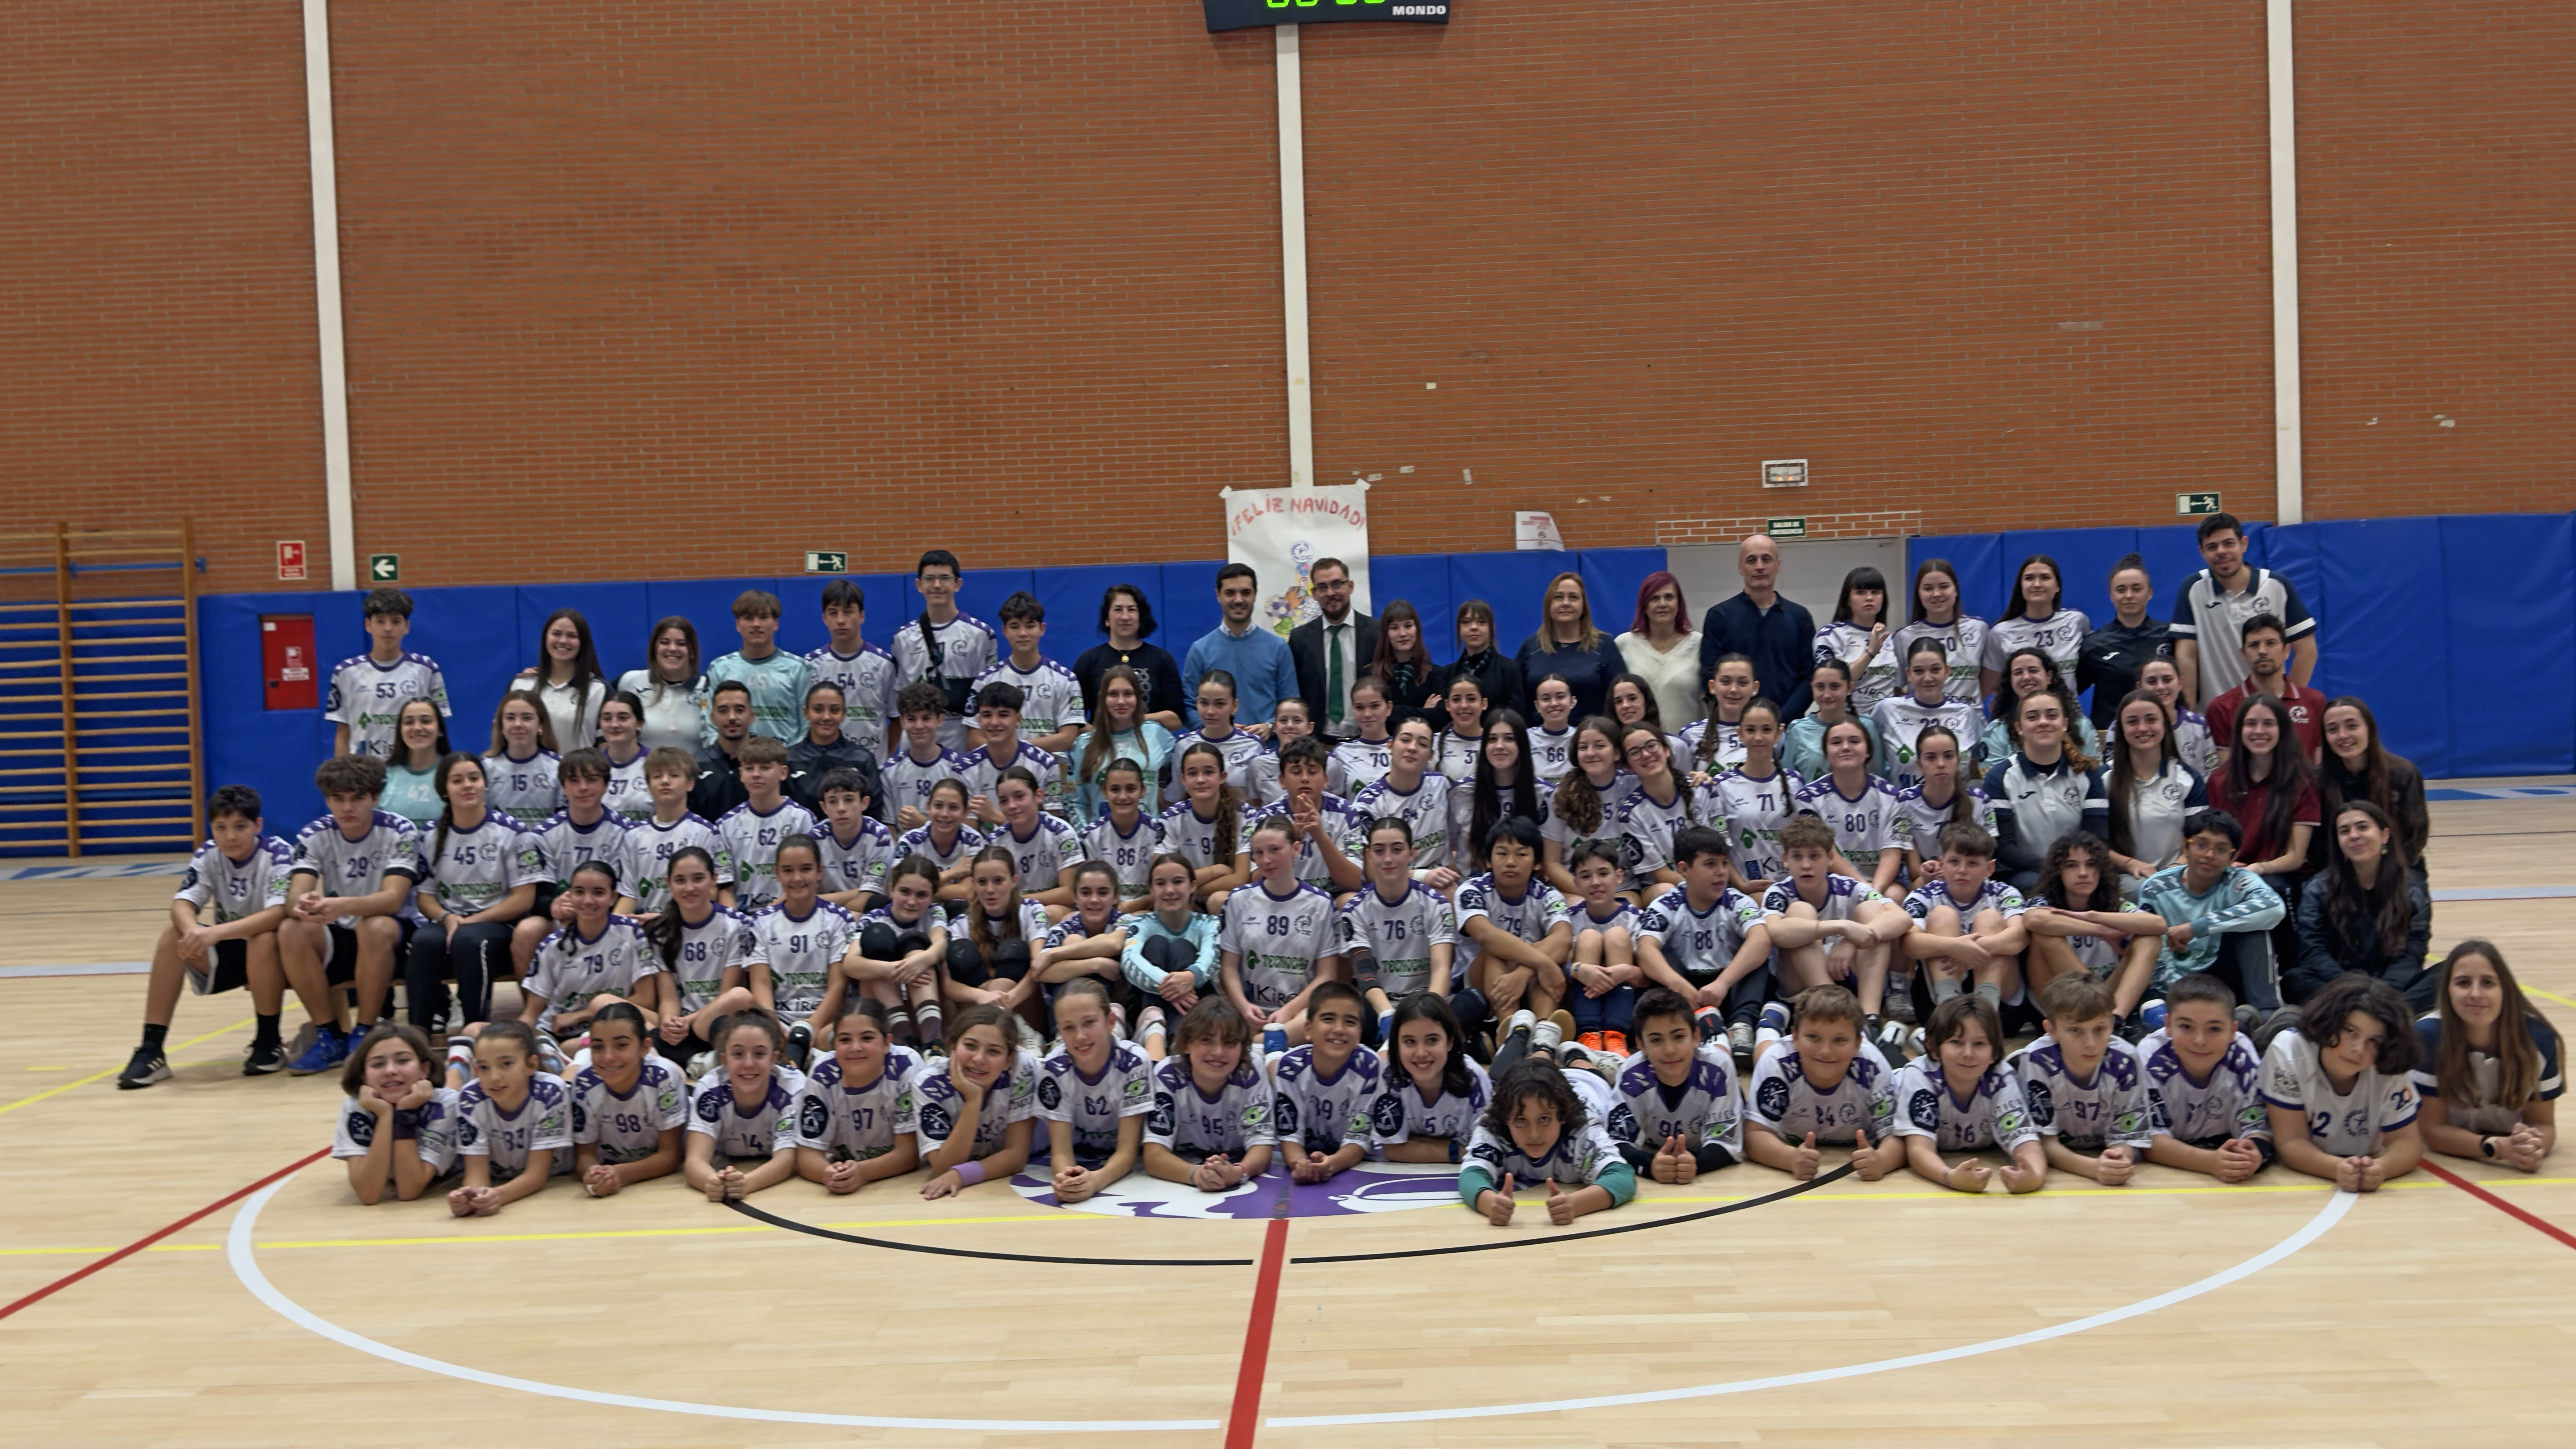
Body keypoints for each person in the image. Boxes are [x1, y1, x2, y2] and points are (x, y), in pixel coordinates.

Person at [120, 784, 296, 1088]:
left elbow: (276, 914)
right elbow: (182, 903)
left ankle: (269, 1042)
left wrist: (214, 933)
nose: (230, 836)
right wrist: (192, 931)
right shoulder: (209, 853)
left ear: (258, 825)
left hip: (281, 958)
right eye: (221, 827)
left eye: (240, 827)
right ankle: (151, 1048)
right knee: (172, 936)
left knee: (264, 937)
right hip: (232, 951)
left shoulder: (278, 853)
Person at [277, 755, 421, 1076]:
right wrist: (302, 904)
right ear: (327, 800)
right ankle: (329, 1035)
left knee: (374, 926)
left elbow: (392, 900)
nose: (347, 807)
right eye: (338, 798)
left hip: (396, 934)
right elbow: (295, 895)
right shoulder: (315, 833)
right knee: (290, 929)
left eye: (357, 798)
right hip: (343, 929)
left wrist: (340, 905)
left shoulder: (400, 830)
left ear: (375, 797)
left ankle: (364, 1032)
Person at [406, 753, 540, 1040]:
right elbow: (425, 898)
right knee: (423, 941)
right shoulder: (429, 835)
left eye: (474, 778)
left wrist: (473, 920)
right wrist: (447, 917)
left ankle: (475, 1031)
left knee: (470, 941)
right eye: (457, 781)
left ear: (485, 785)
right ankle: (418, 1036)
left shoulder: (513, 832)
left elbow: (523, 899)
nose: (467, 785)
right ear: (444, 790)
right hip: (451, 921)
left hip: (499, 923)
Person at [2261, 973, 2422, 1192]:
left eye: (2374, 1041)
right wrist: (2338, 1169)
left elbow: (2407, 1143)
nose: (2359, 1049)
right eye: (2350, 1031)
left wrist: (2381, 1169)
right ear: (2329, 1022)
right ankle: (2263, 1031)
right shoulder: (2289, 1051)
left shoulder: (2387, 1062)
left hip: (2359, 1158)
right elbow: (2291, 1143)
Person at [1760, 815, 1909, 1049]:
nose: (1806, 865)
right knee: (1800, 912)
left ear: (1830, 857)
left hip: (1848, 977)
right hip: (1803, 990)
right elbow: (1775, 931)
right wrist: (1842, 927)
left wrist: (1851, 942)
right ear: (1785, 860)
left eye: (1814, 856)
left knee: (1872, 910)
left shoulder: (1848, 886)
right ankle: (1836, 1011)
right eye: (1797, 857)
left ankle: (1869, 1019)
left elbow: (1902, 918)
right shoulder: (1778, 892)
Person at [2412, 941, 2561, 1170]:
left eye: (2488, 983)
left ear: (2505, 990)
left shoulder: (2538, 1038)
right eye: (2463, 983)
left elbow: (2543, 1124)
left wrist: (2533, 1147)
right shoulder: (2428, 1036)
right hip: (2452, 1159)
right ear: (2447, 990)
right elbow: (2433, 1130)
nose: (2476, 994)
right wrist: (2496, 1147)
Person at [1634, 824, 1771, 1062]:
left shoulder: (1737, 901)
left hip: (1727, 988)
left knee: (1757, 954)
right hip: (1686, 992)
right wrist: (1678, 984)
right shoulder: (1667, 904)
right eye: (1710, 864)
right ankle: (1697, 1023)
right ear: (1684, 869)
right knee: (1660, 957)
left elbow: (1761, 939)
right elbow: (1645, 949)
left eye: (1724, 863)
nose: (1721, 872)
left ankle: (1742, 1026)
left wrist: (1723, 983)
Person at [1890, 994, 2046, 1194]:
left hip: (1945, 1059)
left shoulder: (2001, 1079)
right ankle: (1890, 1041)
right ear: (1935, 1050)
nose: (1968, 1054)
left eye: (1979, 1044)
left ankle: (1927, 1039)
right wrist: (1949, 1177)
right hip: (1897, 1081)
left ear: (1995, 1052)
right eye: (1956, 1042)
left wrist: (2034, 1176)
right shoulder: (1920, 1077)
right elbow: (1918, 1150)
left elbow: (2027, 1143)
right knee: (1893, 1060)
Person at [1742, 985, 1903, 1179]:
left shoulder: (1874, 1067)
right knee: (1765, 1057)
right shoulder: (1777, 1064)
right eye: (1813, 1037)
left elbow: (1899, 1137)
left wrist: (1883, 1161)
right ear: (1795, 1037)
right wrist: (1789, 1158)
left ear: (1858, 1044)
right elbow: (1754, 1135)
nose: (1826, 1051)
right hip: (1781, 1057)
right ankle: (1768, 1028)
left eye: (1840, 1040)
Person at [2137, 810, 2286, 1015]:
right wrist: (2188, 998)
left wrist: (2196, 928)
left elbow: (2274, 907)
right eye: (2201, 845)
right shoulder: (2156, 888)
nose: (2209, 855)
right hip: (2172, 985)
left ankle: (2266, 1013)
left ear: (2234, 856)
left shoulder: (2238, 880)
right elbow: (2154, 956)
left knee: (2257, 926)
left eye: (2221, 849)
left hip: (2222, 974)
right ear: (2185, 846)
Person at [2010, 975, 2152, 1186]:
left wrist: (2118, 1160)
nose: (2090, 1043)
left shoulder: (2126, 1060)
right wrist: (2093, 1169)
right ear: (2051, 1030)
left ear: (2111, 1024)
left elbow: (2128, 1137)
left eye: (2100, 1029)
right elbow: (2044, 1143)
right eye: (2076, 1030)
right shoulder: (2037, 1060)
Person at [2291, 802, 2433, 1009]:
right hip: (2340, 983)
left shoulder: (2412, 888)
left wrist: (2382, 991)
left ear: (2385, 835)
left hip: (2392, 986)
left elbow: (2413, 951)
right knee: (2295, 979)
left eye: (2363, 827)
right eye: (2344, 831)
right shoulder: (2318, 888)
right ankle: (2388, 1014)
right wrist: (2351, 987)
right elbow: (2313, 951)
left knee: (2443, 975)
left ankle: (2359, 1012)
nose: (2354, 836)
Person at [2019, 832, 2167, 1026]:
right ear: (2058, 872)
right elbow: (2035, 920)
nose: (2083, 873)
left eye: (2091, 865)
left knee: (2150, 938)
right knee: (2044, 934)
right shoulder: (2045, 902)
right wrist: (2102, 931)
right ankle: (2099, 1011)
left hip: (2108, 997)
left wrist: (2093, 916)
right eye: (2072, 865)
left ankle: (2116, 1019)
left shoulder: (2114, 904)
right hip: (2060, 1000)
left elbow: (2158, 925)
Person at [1463, 1058, 1634, 1226]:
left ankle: (1575, 1053)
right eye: (1521, 1120)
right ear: (1505, 1118)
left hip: (1589, 1081)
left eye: (1544, 1119)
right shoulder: (1493, 1130)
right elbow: (1471, 1174)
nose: (1534, 1134)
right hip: (1551, 1086)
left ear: (1563, 1115)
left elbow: (1622, 1177)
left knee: (1583, 1064)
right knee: (1532, 1065)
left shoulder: (1583, 1132)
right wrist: (1489, 1202)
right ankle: (1545, 1049)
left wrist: (1575, 1204)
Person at [2170, 512, 2316, 707]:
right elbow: (2186, 655)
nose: (2221, 552)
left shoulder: (2276, 585)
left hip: (2269, 715)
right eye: (2212, 547)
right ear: (2202, 552)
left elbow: (2307, 650)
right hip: (2215, 713)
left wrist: (2288, 705)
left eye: (2229, 544)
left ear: (2244, 544)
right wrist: (2190, 713)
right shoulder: (2193, 588)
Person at [1218, 815, 1340, 1046]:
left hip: (1298, 1015)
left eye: (1275, 850)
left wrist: (1288, 1011)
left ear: (1296, 849)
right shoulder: (1238, 900)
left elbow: (1327, 975)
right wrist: (1244, 1007)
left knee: (1325, 1016)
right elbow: (1229, 968)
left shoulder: (1322, 904)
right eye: (1259, 853)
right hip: (1249, 1011)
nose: (1266, 860)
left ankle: (1257, 1046)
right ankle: (1266, 1043)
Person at [510, 749, 633, 977]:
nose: (583, 788)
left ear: (606, 785)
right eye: (574, 781)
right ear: (564, 787)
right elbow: (537, 897)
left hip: (610, 915)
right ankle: (534, 1001)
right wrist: (552, 906)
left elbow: (629, 892)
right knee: (527, 930)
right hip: (564, 917)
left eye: (592, 780)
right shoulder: (542, 835)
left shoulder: (628, 833)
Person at [2138, 972, 2271, 1182]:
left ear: (2233, 1031)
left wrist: (2254, 1154)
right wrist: (2209, 1162)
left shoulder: (2241, 1053)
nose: (2200, 1040)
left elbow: (2258, 1129)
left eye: (2214, 1029)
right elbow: (2147, 1141)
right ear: (2169, 1025)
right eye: (2186, 1027)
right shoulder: (2150, 1055)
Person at [1454, 817, 1574, 1049]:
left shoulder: (1549, 895)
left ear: (1537, 863)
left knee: (1547, 957)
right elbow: (1486, 935)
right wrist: (1542, 963)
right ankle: (1508, 1032)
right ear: (1488, 860)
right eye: (1502, 854)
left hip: (1530, 983)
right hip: (1479, 986)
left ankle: (1543, 1035)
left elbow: (1564, 938)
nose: (1511, 862)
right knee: (1498, 952)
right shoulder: (1471, 890)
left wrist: (1525, 972)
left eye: (1521, 854)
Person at [1336, 818, 1460, 1041]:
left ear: (1412, 853)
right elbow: (1365, 974)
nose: (1388, 859)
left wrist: (1425, 1012)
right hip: (1379, 1006)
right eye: (1379, 850)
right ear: (1369, 855)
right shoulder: (1354, 909)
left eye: (1397, 849)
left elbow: (1442, 968)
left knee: (1474, 1000)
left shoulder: (1436, 903)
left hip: (1426, 1002)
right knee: (1343, 1011)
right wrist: (1387, 1015)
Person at [1037, 977, 1156, 1203]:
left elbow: (1127, 1152)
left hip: (1118, 1155)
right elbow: (1061, 1152)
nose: (1080, 1036)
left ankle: (1150, 1027)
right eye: (1068, 1028)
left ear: (1109, 1021)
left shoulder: (1135, 1063)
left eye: (1089, 1023)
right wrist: (1068, 1179)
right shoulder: (1053, 1067)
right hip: (1083, 1151)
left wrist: (1096, 1181)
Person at [791, 998, 926, 1195]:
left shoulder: (906, 1065)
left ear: (887, 1042)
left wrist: (863, 1172)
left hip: (898, 1185)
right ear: (834, 1045)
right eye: (845, 1040)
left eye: (867, 1038)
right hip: (845, 1172)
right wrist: (828, 1174)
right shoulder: (822, 1073)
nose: (855, 1047)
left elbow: (909, 1154)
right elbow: (807, 1155)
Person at [1139, 997, 1274, 1192]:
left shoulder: (1251, 1071)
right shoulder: (1168, 1075)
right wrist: (1197, 1174)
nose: (1218, 1052)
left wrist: (1240, 1172)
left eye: (1230, 1043)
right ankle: (1153, 1028)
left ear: (1242, 1049)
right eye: (1207, 1040)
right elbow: (1153, 1156)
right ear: (1187, 1044)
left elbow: (1262, 1146)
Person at [741, 834, 857, 1060]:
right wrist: (774, 1026)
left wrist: (811, 1027)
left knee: (839, 1037)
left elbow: (838, 985)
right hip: (776, 1019)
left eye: (806, 869)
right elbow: (761, 983)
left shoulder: (839, 919)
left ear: (819, 872)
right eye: (788, 870)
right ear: (777, 873)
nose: (797, 878)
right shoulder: (761, 922)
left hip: (825, 1021)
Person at [1984, 686, 2109, 894]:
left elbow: (2095, 839)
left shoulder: (2087, 774)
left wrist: (2070, 869)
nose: (2043, 722)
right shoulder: (2000, 777)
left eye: (2052, 716)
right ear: (2019, 727)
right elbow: (2003, 846)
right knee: (2038, 886)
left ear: (2065, 724)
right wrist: (2052, 869)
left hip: (2080, 870)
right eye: (2033, 717)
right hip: (2024, 872)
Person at [642, 847, 759, 1068]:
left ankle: (669, 1055)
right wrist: (669, 1021)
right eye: (680, 881)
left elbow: (727, 995)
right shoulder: (661, 932)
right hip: (679, 1024)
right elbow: (669, 999)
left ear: (713, 879)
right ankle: (692, 1059)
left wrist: (688, 1022)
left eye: (698, 879)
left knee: (740, 997)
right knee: (604, 1003)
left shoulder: (735, 926)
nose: (689, 888)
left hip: (714, 1022)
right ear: (668, 883)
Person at [915, 1004, 1041, 1199]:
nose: (979, 1059)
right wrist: (973, 1101)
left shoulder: (1022, 1068)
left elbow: (1016, 1157)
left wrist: (961, 1175)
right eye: (970, 1046)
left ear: (1009, 1060)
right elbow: (944, 1166)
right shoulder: (928, 1084)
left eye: (994, 1052)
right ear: (953, 1047)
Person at [447, 1021, 572, 1216]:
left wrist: (498, 1196)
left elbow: (537, 1175)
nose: (494, 1077)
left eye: (506, 1064)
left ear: (531, 1065)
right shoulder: (470, 1098)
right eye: (484, 1067)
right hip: (503, 1177)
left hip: (553, 1175)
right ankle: (461, 1060)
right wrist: (470, 1197)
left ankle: (550, 1051)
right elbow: (476, 1174)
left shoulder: (551, 1092)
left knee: (567, 1078)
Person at [1900, 823, 2028, 1014]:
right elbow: (1909, 943)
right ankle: (1949, 1009)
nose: (1962, 870)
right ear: (1942, 864)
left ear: (1990, 868)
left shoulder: (2004, 893)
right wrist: (1954, 947)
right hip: (1938, 997)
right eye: (1954, 862)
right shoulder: (1924, 895)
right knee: (1942, 915)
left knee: (1990, 918)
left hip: (2002, 1002)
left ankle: (1986, 1013)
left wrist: (1976, 949)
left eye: (1972, 863)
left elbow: (2020, 936)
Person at [2206, 694, 2318, 911]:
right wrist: (2226, 866)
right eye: (2251, 724)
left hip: (2278, 876)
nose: (2259, 731)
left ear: (2282, 729)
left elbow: (2296, 857)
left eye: (2268, 724)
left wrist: (2259, 868)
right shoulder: (2220, 780)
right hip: (2230, 871)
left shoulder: (2302, 782)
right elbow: (2215, 840)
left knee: (2271, 887)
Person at [567, 1002, 687, 1197]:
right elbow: (585, 1155)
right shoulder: (584, 1082)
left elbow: (671, 1156)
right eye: (598, 1047)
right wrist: (594, 1175)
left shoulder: (662, 1078)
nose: (608, 1057)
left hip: (652, 1180)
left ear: (644, 1047)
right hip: (612, 1168)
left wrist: (620, 1174)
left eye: (621, 1045)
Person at [682, 1011, 804, 1202]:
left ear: (774, 1059)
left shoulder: (793, 1089)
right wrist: (711, 1182)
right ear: (724, 1060)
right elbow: (694, 1161)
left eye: (759, 1054)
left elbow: (787, 1160)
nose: (748, 1064)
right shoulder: (709, 1089)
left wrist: (747, 1183)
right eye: (738, 1054)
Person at [1271, 980, 1384, 1186]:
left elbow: (1358, 1139)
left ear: (1360, 1034)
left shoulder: (1370, 1067)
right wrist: (1300, 1165)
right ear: (1308, 1029)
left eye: (1350, 1022)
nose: (1339, 1029)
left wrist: (1332, 1164)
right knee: (1273, 1067)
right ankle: (1273, 1050)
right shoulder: (1290, 1068)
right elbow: (1289, 1136)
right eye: (1328, 1019)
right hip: (1305, 1144)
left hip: (1342, 1151)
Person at [332, 1024, 460, 1204]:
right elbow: (368, 1194)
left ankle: (460, 1061)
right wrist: (385, 1116)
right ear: (363, 1076)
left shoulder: (445, 1104)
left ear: (424, 1070)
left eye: (403, 1061)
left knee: (456, 1087)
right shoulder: (357, 1105)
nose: (390, 1071)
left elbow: (408, 1190)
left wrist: (404, 1114)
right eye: (378, 1064)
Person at [836, 856, 951, 1052]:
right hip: (882, 1006)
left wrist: (920, 961)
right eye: (905, 892)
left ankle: (934, 1046)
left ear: (933, 897)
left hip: (922, 1000)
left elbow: (941, 943)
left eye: (922, 895)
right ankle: (903, 1038)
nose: (912, 902)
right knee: (876, 946)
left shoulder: (935, 912)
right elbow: (850, 964)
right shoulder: (874, 918)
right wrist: (894, 970)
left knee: (916, 946)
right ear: (891, 889)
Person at [1698, 534, 1818, 721]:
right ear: (1740, 567)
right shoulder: (1719, 616)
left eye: (1766, 559)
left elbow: (1808, 678)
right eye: (1751, 560)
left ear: (1778, 565)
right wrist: (1742, 720)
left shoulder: (1799, 617)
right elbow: (1710, 676)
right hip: (1736, 725)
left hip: (1788, 725)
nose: (1760, 566)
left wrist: (1779, 720)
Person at [889, 550, 997, 752]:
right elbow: (899, 694)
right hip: (916, 741)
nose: (937, 585)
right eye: (930, 579)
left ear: (957, 584)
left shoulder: (981, 635)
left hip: (961, 740)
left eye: (944, 578)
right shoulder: (903, 638)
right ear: (919, 585)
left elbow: (987, 695)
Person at [326, 587, 451, 759]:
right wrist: (341, 772)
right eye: (380, 621)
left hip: (411, 767)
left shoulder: (427, 669)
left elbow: (438, 729)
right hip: (364, 767)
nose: (388, 628)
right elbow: (343, 732)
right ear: (368, 625)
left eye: (396, 622)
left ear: (406, 627)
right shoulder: (346, 672)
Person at [1369, 994, 1492, 1165]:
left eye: (1432, 1040)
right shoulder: (1389, 1074)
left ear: (1450, 1041)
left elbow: (1484, 1149)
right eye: (1410, 1041)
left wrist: (1415, 1144)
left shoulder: (1475, 1079)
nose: (1421, 1053)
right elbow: (1393, 1149)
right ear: (1396, 1045)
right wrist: (1456, 1151)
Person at [2104, 689, 2207, 886]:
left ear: (2165, 725)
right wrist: (2129, 864)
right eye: (2132, 722)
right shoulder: (2104, 778)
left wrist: (2173, 870)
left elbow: (2199, 839)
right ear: (2121, 730)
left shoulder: (2188, 778)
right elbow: (2093, 842)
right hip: (2125, 880)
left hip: (2179, 877)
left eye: (2151, 720)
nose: (2143, 728)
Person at [1122, 853, 1221, 1058]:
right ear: (1152, 889)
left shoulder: (1209, 923)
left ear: (1192, 886)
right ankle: (1154, 1032)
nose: (1169, 890)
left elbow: (1212, 956)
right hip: (1147, 1007)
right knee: (1156, 943)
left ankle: (1179, 1040)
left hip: (1196, 1009)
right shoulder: (1141, 923)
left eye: (1178, 882)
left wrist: (1191, 977)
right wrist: (1174, 986)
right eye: (1161, 883)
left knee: (1182, 947)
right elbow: (1130, 960)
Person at [1793, 718, 1905, 895]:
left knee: (1895, 894)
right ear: (1826, 753)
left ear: (1868, 751)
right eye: (1836, 742)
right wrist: (1863, 889)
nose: (1846, 747)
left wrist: (1874, 892)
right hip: (1831, 884)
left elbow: (1892, 853)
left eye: (1854, 741)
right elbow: (1824, 851)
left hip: (1881, 883)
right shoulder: (1808, 799)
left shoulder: (1893, 796)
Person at [943, 846, 1054, 1025]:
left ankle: (1016, 1029)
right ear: (973, 884)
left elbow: (1039, 965)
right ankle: (999, 1028)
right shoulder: (960, 924)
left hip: (1026, 1005)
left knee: (1015, 950)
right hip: (978, 1007)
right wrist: (982, 996)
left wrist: (1010, 998)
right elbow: (947, 984)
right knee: (961, 952)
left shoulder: (1032, 911)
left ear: (1014, 880)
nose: (990, 890)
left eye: (998, 881)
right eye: (982, 882)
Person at [1182, 563, 1299, 732]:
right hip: (1216, 746)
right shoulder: (1200, 650)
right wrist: (1218, 729)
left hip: (1267, 746)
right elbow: (1188, 705)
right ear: (1218, 595)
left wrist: (1270, 726)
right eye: (1230, 593)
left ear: (1255, 595)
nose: (1238, 600)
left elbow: (1291, 702)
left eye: (1246, 593)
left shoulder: (1278, 648)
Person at [2318, 697, 2428, 875]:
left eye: (2352, 726)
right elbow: (2318, 843)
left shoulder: (2403, 773)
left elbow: (2415, 835)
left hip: (2398, 869)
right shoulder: (2318, 780)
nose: (2343, 735)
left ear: (2370, 729)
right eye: (2333, 730)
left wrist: (2383, 874)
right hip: (2339, 872)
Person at [618, 747, 734, 916]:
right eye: (657, 776)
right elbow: (630, 894)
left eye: (674, 775)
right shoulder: (633, 836)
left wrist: (668, 920)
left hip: (691, 925)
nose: (665, 781)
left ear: (690, 784)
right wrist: (614, 926)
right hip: (647, 926)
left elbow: (713, 891)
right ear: (649, 786)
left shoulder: (707, 833)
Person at [1708, 698, 1801, 897]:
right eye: (1751, 730)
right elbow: (1716, 845)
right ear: (1740, 734)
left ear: (1779, 733)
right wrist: (1740, 884)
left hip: (1794, 888)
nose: (1758, 737)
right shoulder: (1721, 786)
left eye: (1766, 730)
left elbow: (1805, 839)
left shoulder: (1795, 782)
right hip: (1746, 893)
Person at [974, 590, 1086, 754]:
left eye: (1030, 625)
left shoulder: (1066, 679)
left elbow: (1067, 739)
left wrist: (1017, 749)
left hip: (1050, 767)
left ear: (1042, 629)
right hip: (1000, 767)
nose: (1023, 633)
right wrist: (1014, 752)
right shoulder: (986, 680)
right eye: (1015, 626)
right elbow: (974, 740)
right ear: (1004, 630)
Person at [1612, 722, 1716, 896]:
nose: (1646, 755)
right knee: (1668, 890)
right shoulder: (1629, 813)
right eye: (1635, 752)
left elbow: (1721, 851)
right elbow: (1660, 873)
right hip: (1662, 887)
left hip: (1712, 880)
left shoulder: (1703, 790)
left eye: (1651, 745)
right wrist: (1698, 887)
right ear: (1628, 765)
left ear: (1666, 750)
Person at [716, 736, 819, 911]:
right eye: (750, 768)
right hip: (742, 917)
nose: (756, 774)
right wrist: (736, 920)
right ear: (741, 774)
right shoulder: (726, 825)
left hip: (790, 913)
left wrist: (768, 915)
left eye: (765, 768)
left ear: (783, 772)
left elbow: (809, 880)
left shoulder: (802, 819)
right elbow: (724, 886)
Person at [2205, 614, 2328, 759]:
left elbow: (2320, 766)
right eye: (2254, 645)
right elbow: (2226, 769)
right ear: (2243, 654)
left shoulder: (2314, 702)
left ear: (2286, 651)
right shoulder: (2222, 708)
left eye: (2271, 643)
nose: (2262, 651)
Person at [1561, 840, 1643, 1055]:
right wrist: (1578, 970)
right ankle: (1588, 1034)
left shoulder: (1637, 919)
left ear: (1619, 877)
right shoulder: (1569, 920)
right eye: (1586, 876)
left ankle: (1616, 1035)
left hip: (1627, 1008)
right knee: (1589, 937)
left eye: (1603, 874)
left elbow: (1648, 978)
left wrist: (1626, 972)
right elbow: (1556, 966)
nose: (1595, 882)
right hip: (1579, 1003)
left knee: (1617, 935)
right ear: (1576, 883)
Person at [803, 580, 900, 759]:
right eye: (833, 613)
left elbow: (897, 720)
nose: (841, 621)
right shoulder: (811, 665)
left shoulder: (884, 664)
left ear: (862, 616)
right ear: (824, 618)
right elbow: (804, 723)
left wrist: (880, 759)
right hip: (825, 767)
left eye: (848, 612)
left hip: (871, 768)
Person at [1353, 718, 1455, 888]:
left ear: (1430, 756)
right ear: (1390, 746)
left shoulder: (1440, 785)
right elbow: (1371, 873)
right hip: (1391, 886)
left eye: (1422, 744)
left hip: (1440, 880)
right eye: (1405, 740)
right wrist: (1421, 876)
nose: (1412, 748)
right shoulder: (1368, 803)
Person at [703, 590, 813, 746]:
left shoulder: (799, 669)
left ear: (776, 623)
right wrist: (728, 755)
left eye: (764, 617)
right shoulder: (719, 669)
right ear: (738, 624)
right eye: (748, 618)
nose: (756, 624)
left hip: (787, 758)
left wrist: (792, 756)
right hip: (732, 758)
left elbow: (809, 725)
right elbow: (709, 724)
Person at [1258, 737, 1365, 897]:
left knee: (1350, 899)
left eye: (1313, 772)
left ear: (1325, 780)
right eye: (1296, 772)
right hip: (1284, 896)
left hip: (1333, 896)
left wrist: (1319, 835)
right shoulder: (1267, 818)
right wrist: (1291, 840)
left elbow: (1354, 882)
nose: (1305, 778)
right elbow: (1256, 881)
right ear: (1282, 781)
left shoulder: (1347, 813)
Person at [1072, 582, 1187, 731]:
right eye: (1118, 610)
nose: (1125, 617)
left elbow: (1176, 720)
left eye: (1132, 610)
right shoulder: (1088, 661)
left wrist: (1132, 719)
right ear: (1107, 619)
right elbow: (1075, 721)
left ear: (1141, 617)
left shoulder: (1162, 659)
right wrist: (1103, 737)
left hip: (1150, 743)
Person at [1541, 717, 1637, 895]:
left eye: (1600, 746)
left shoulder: (1634, 785)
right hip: (1575, 888)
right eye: (1583, 747)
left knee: (1623, 907)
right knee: (1580, 908)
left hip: (1622, 887)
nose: (1591, 753)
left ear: (1617, 753)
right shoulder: (1560, 796)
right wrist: (1590, 894)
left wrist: (1694, 778)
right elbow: (1552, 864)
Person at [2077, 555, 2173, 733]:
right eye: (2121, 590)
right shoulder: (2095, 644)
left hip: (2160, 732)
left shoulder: (2168, 636)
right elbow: (2069, 691)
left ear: (2150, 593)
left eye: (2137, 589)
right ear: (2111, 596)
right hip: (2110, 735)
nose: (2129, 596)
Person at [1516, 570, 1628, 722]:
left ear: (1584, 606)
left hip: (1593, 735)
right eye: (1559, 597)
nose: (1566, 603)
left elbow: (1620, 697)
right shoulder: (1531, 647)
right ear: (1549, 605)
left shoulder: (1604, 646)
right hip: (1539, 735)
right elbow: (1517, 701)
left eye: (1573, 597)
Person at [1288, 556, 1380, 739]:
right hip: (1317, 742)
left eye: (1337, 584)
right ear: (1314, 594)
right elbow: (1296, 693)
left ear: (1350, 586)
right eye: (1322, 587)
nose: (1331, 593)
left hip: (1367, 739)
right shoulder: (1300, 639)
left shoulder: (1377, 632)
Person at [1893, 725, 1994, 890]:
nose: (1941, 764)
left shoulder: (1979, 800)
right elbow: (1915, 873)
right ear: (1919, 764)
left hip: (1967, 877)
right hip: (1924, 881)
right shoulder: (1903, 802)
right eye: (1931, 758)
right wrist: (1929, 874)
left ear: (1958, 761)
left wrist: (1951, 872)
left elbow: (1984, 859)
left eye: (1948, 756)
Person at [1868, 639, 1981, 788]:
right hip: (1901, 801)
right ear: (1908, 674)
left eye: (1935, 670)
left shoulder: (1966, 714)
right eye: (1919, 671)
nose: (1928, 678)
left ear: (1947, 671)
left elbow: (1979, 769)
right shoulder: (1887, 710)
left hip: (1957, 802)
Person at [1979, 553, 2089, 700]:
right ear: (2021, 586)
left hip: (2069, 712)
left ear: (2057, 586)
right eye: (2029, 578)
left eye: (2045, 578)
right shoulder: (2001, 633)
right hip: (2024, 713)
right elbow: (1987, 688)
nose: (2037, 584)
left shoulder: (2077, 622)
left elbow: (2093, 672)